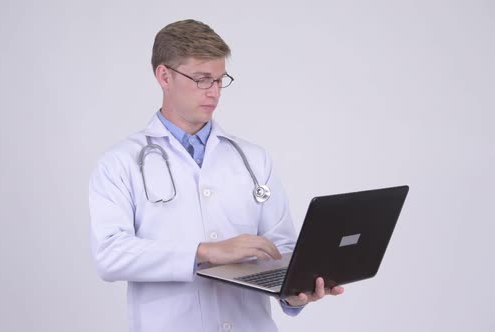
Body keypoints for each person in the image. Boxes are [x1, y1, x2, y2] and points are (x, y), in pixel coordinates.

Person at [89, 19, 343, 332]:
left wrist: (297, 292)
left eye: (220, 80)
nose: (214, 92)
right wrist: (204, 252)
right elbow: (110, 255)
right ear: (164, 75)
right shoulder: (120, 163)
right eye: (201, 79)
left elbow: (281, 251)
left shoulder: (253, 159)